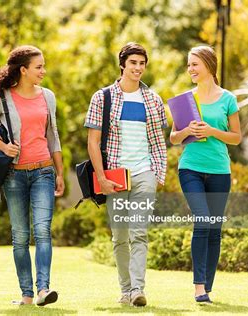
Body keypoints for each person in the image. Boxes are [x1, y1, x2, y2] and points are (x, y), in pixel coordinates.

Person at [85, 42, 167, 307]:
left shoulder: (153, 99)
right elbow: (93, 142)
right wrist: (102, 177)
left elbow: (158, 141)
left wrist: (157, 172)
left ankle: (137, 290)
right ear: (122, 64)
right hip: (116, 176)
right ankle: (125, 289)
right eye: (133, 63)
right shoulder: (103, 97)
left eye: (142, 63)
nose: (138, 68)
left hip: (144, 173)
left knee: (139, 233)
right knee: (120, 236)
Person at [0, 45, 64, 306]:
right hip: (14, 175)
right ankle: (27, 294)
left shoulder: (48, 96)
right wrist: (3, 146)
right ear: (23, 69)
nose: (43, 71)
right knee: (19, 236)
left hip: (43, 171)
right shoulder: (2, 97)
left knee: (42, 231)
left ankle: (43, 290)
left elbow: (54, 135)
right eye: (38, 67)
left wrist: (59, 172)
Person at [170, 45, 241, 303]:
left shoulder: (228, 99)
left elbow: (236, 137)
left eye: (194, 64)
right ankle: (199, 287)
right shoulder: (185, 99)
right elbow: (174, 138)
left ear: (209, 65)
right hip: (191, 167)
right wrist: (186, 129)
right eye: (188, 65)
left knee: (214, 229)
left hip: (219, 170)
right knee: (202, 221)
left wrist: (212, 131)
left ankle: (207, 287)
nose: (190, 69)